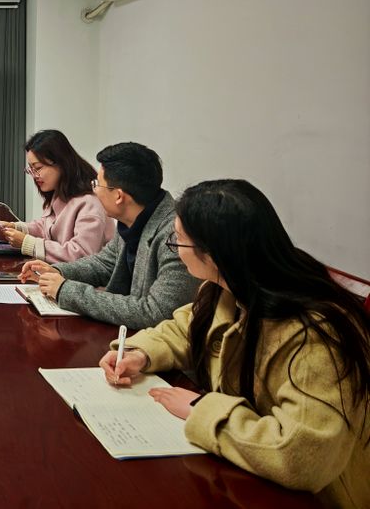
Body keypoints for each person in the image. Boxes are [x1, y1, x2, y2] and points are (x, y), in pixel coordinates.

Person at [99, 180, 370, 508]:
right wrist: (140, 353)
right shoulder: (223, 289)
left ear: (213, 254)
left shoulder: (316, 336)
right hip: (246, 476)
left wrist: (201, 409)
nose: (175, 249)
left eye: (178, 241)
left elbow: (302, 457)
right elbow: (184, 329)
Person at [18, 142, 198, 328]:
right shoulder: (133, 217)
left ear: (119, 196)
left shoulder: (176, 236)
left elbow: (156, 312)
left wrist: (65, 290)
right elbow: (104, 263)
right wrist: (57, 272)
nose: (94, 190)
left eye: (97, 184)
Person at [0, 129, 114, 262]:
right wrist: (17, 228)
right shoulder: (60, 192)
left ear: (62, 162)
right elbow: (47, 228)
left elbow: (81, 255)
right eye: (31, 169)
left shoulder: (90, 202)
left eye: (38, 168)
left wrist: (28, 243)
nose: (34, 176)